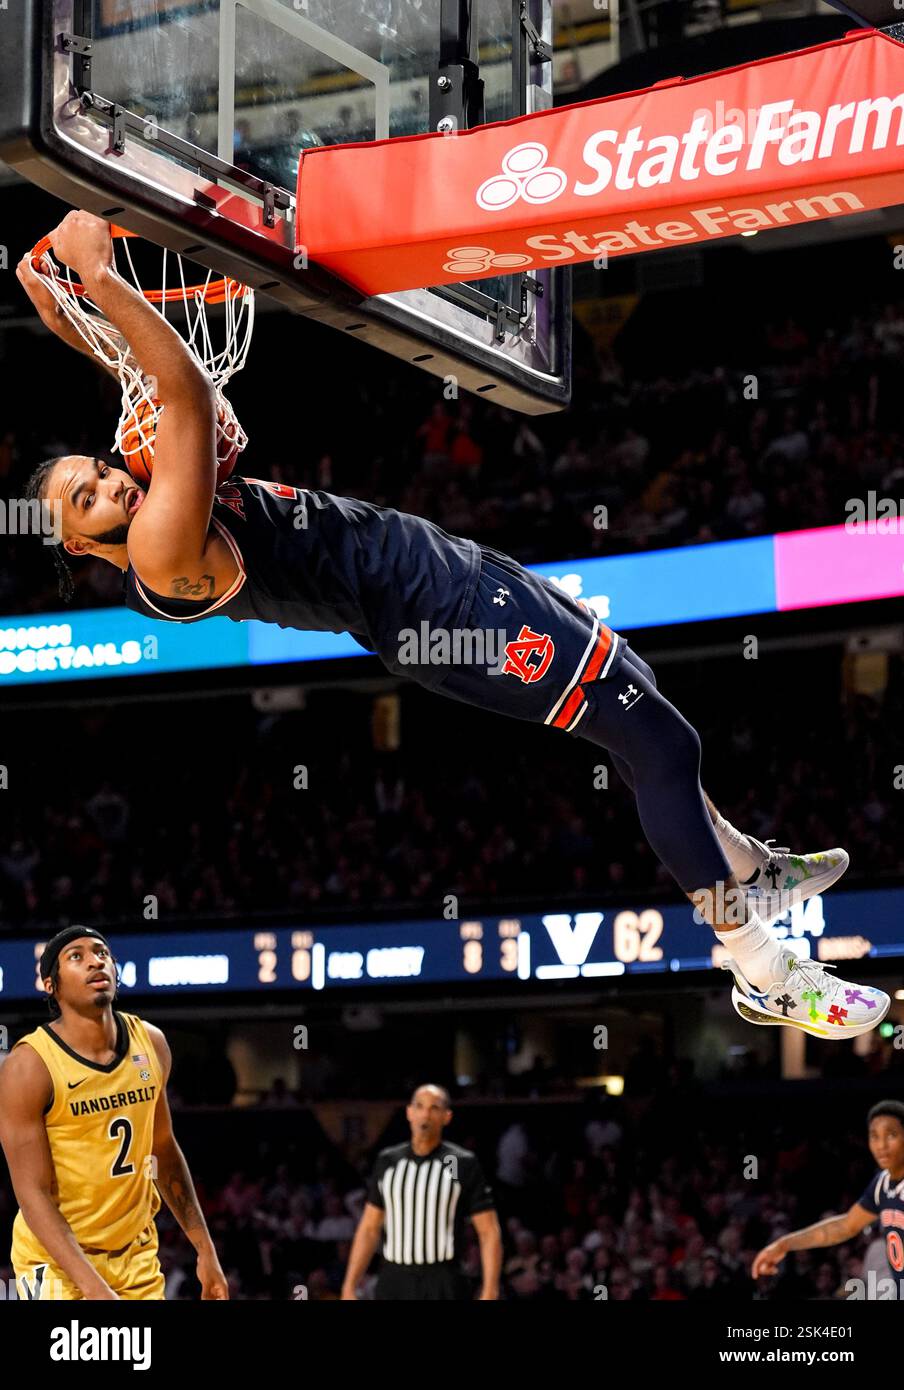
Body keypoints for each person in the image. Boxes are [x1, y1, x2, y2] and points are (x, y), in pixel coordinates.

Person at [18, 212, 890, 1040]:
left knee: (641, 702)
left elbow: (128, 369)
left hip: (449, 576)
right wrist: (98, 270)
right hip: (448, 618)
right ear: (76, 544)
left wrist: (64, 307)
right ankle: (759, 966)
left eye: (98, 469)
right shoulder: (161, 549)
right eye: (88, 497)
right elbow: (181, 394)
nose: (111, 481)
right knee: (665, 749)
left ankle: (747, 869)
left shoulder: (139, 512)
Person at [0, 925, 228, 1300]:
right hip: (56, 1262)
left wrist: (205, 1249)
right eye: (77, 956)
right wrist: (97, 1291)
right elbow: (32, 1194)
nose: (95, 961)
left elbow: (163, 1149)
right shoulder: (29, 1066)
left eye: (102, 953)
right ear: (50, 985)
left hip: (134, 1257)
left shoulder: (151, 1043)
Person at [341, 1084, 501, 1300]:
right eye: (419, 1106)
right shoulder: (388, 1161)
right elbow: (369, 1227)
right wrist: (349, 1285)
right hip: (395, 1278)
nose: (425, 1114)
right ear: (409, 1113)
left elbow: (488, 1231)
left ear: (446, 1117)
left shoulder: (458, 1162)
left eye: (434, 1108)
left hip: (444, 1278)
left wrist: (490, 1289)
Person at [752, 1099, 904, 1298]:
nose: (881, 1145)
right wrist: (784, 1244)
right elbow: (844, 1227)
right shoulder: (882, 1183)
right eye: (874, 1136)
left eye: (891, 1135)